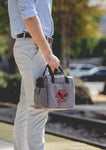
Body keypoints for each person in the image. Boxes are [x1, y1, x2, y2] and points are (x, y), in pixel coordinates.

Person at [8, 0, 60, 149]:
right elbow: (29, 15)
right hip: (33, 46)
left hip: (34, 44)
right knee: (39, 106)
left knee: (27, 104)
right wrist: (47, 53)